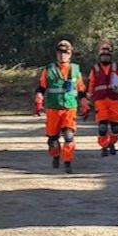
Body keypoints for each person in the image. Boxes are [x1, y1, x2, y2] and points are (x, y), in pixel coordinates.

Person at [34, 39, 88, 174]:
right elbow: (41, 86)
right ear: (56, 54)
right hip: (53, 107)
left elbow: (81, 89)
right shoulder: (49, 69)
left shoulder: (75, 69)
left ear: (70, 54)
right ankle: (56, 155)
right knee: (52, 139)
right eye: (60, 52)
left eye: (65, 53)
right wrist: (39, 100)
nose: (62, 55)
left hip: (70, 107)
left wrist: (84, 104)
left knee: (69, 136)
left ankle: (68, 161)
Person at [86, 41, 118, 156]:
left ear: (110, 55)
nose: (105, 57)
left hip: (114, 99)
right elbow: (91, 84)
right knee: (102, 126)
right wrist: (88, 98)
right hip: (100, 100)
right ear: (100, 56)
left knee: (115, 126)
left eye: (107, 55)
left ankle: (112, 143)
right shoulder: (95, 69)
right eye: (103, 55)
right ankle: (104, 146)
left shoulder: (116, 67)